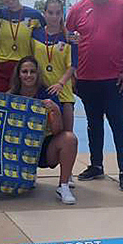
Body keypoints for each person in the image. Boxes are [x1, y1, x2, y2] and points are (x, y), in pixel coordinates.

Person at [69, 0, 123, 192]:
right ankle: (96, 165)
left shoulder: (122, 6)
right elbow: (66, 41)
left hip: (114, 80)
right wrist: (72, 73)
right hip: (87, 80)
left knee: (119, 125)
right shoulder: (78, 9)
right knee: (93, 124)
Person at [9, 56, 78, 204]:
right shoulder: (10, 96)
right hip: (19, 150)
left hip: (44, 148)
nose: (28, 75)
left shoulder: (48, 94)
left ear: (37, 74)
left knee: (69, 139)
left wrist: (55, 111)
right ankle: (19, 176)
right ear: (19, 74)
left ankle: (64, 186)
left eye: (32, 71)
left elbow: (57, 131)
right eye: (25, 71)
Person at [32, 0, 78, 132]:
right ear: (44, 13)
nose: (54, 16)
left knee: (66, 136)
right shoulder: (35, 34)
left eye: (58, 13)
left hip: (63, 93)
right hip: (41, 92)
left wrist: (60, 84)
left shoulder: (70, 37)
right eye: (50, 13)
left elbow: (73, 65)